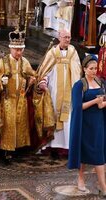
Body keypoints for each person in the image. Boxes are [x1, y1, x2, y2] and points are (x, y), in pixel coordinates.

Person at [0, 29, 36, 163]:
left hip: (21, 98)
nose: (19, 53)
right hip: (8, 99)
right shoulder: (3, 62)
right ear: (11, 49)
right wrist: (1, 82)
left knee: (21, 122)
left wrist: (31, 80)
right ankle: (6, 149)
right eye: (17, 50)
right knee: (9, 124)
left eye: (21, 50)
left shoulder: (24, 62)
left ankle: (18, 146)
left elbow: (31, 74)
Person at [36, 29, 81, 159]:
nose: (68, 39)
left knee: (68, 118)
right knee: (54, 116)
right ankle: (53, 146)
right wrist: (43, 82)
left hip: (69, 92)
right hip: (54, 92)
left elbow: (77, 71)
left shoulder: (73, 53)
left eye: (69, 37)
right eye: (65, 37)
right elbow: (45, 71)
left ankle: (67, 146)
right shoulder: (52, 53)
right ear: (59, 38)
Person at [68, 55, 106, 197]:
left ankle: (102, 185)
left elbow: (104, 100)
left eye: (96, 68)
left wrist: (102, 104)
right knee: (83, 153)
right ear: (84, 69)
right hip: (84, 124)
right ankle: (81, 178)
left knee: (98, 153)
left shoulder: (100, 82)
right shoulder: (79, 85)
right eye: (91, 69)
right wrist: (95, 102)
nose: (94, 71)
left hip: (98, 124)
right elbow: (78, 107)